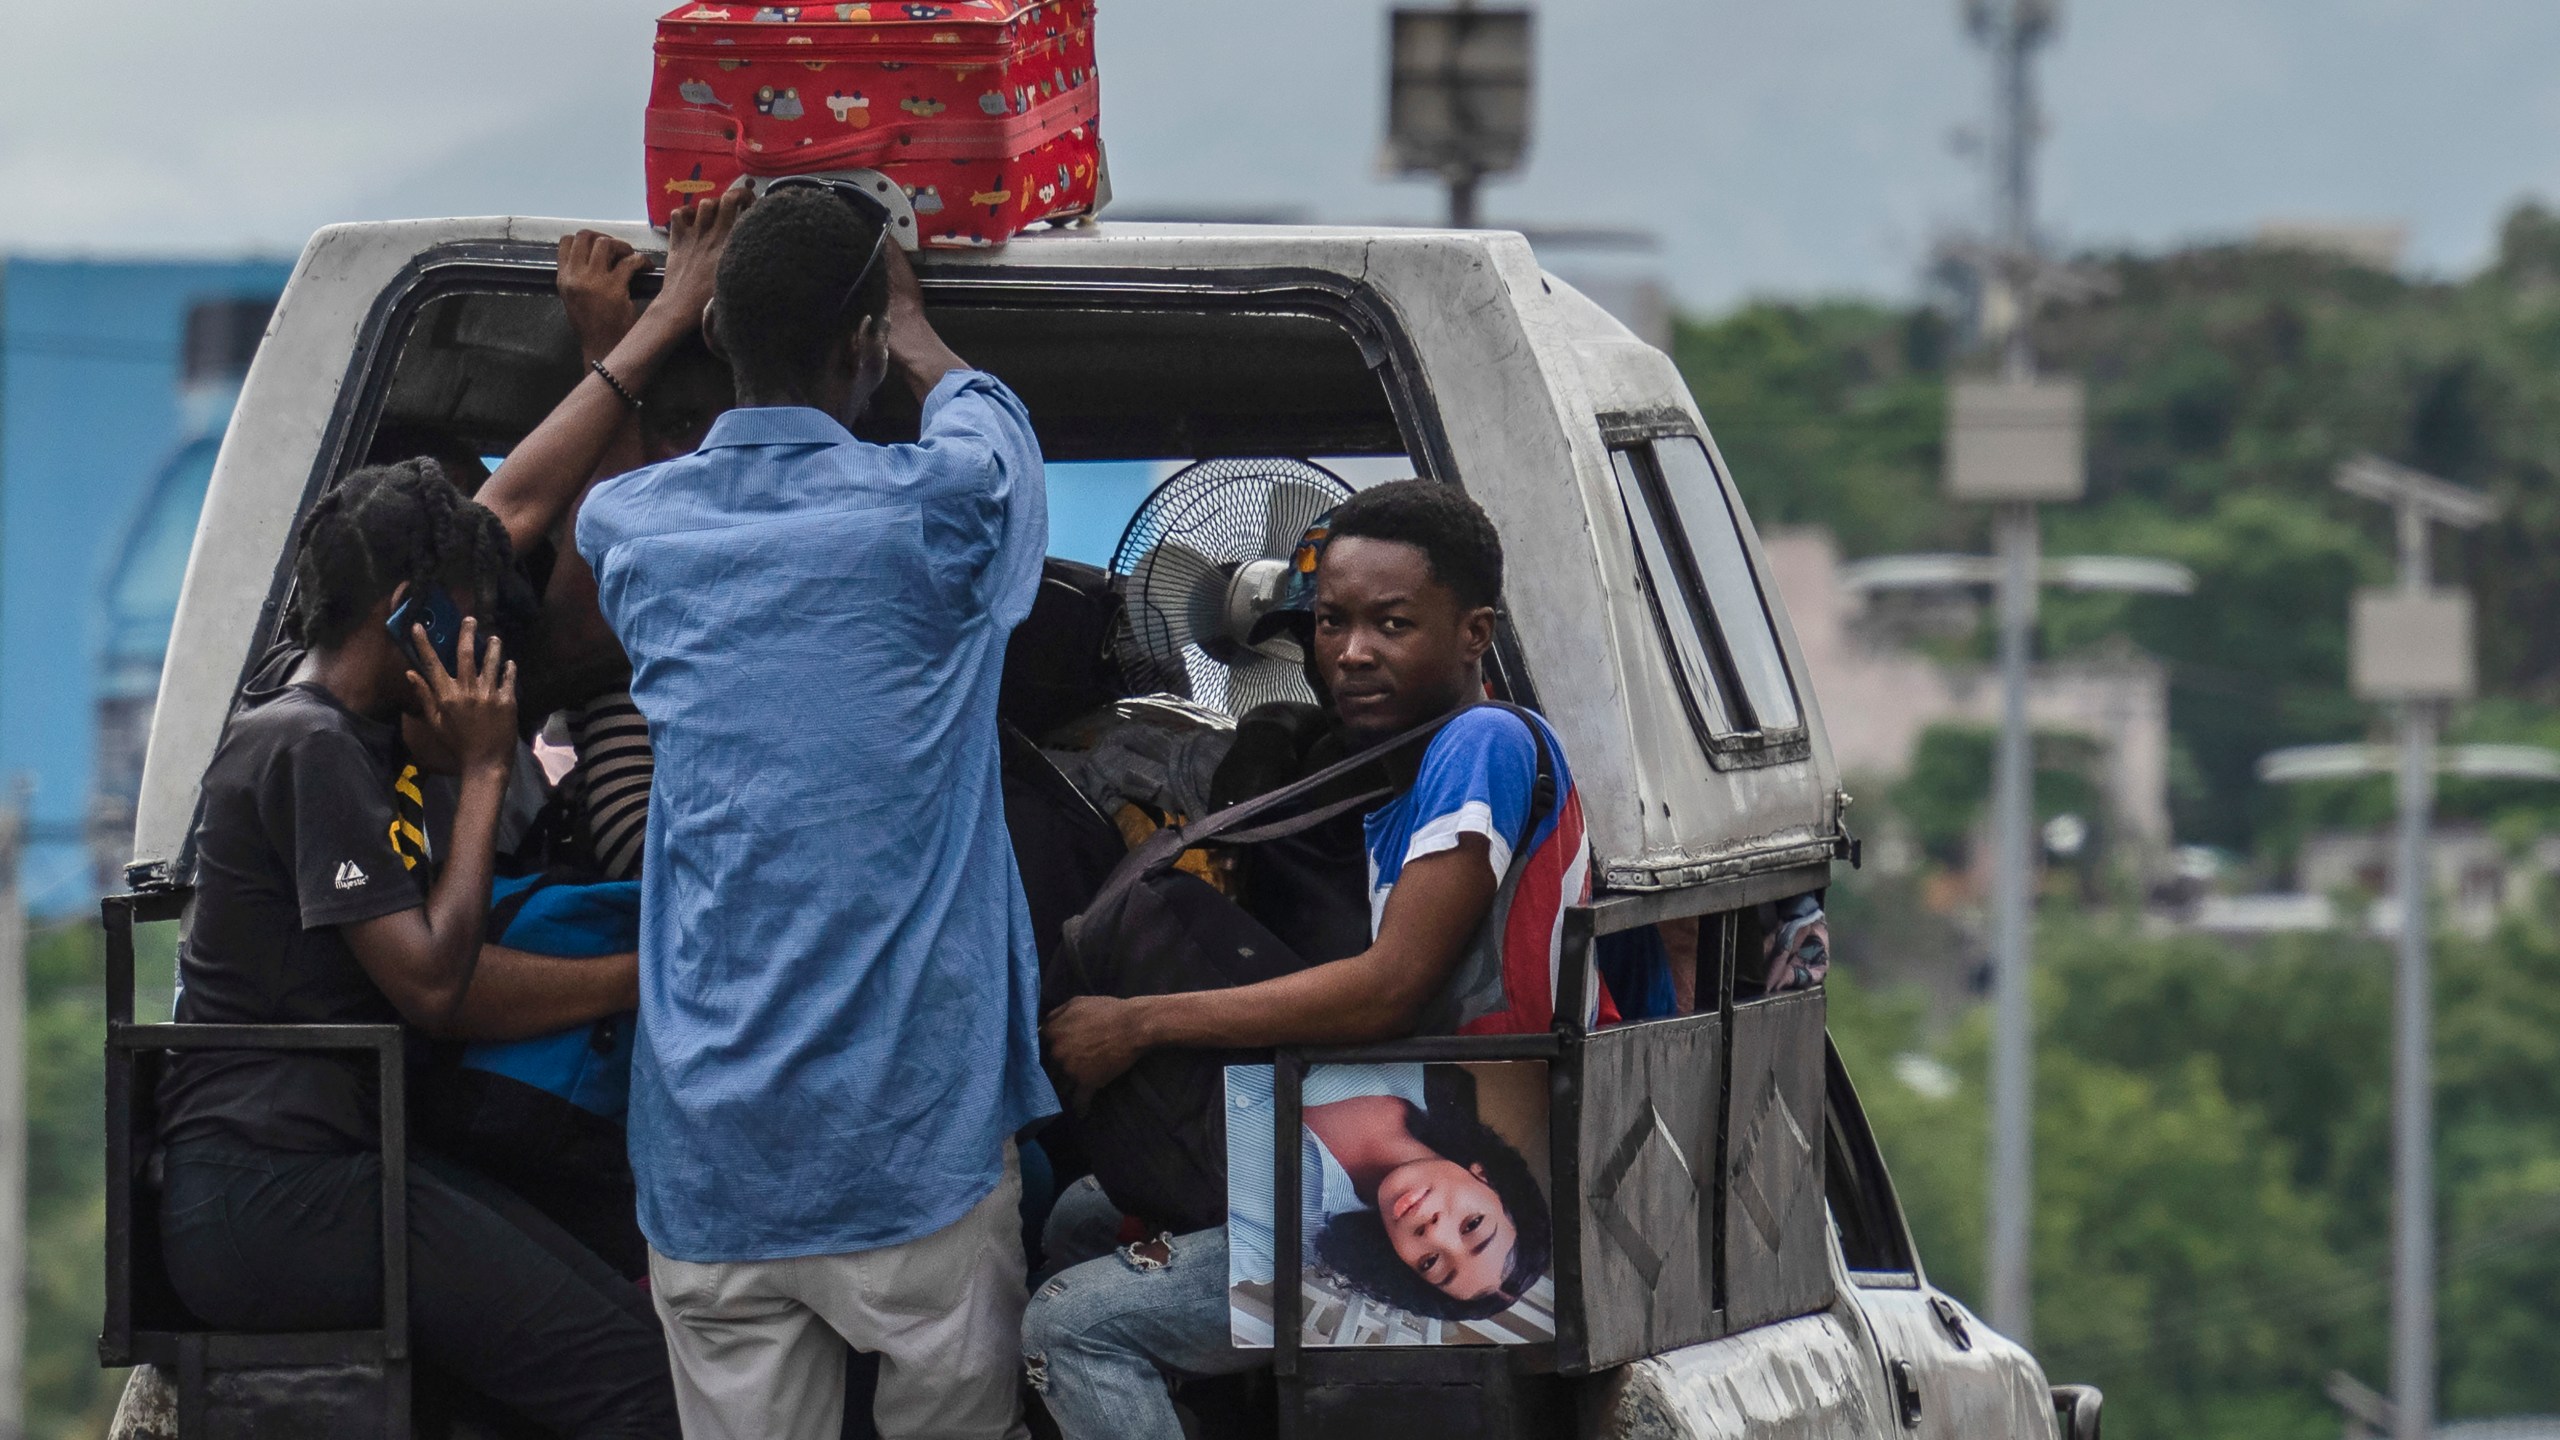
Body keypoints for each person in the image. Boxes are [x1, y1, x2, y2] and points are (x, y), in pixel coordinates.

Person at [574, 182, 1054, 1440]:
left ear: (717, 336)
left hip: (710, 1163)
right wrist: (914, 328)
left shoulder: (629, 529)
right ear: (859, 346)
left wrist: (637, 332)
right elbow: (990, 436)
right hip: (914, 1151)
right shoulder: (938, 514)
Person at [1027, 478, 1603, 1440]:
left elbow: (1388, 992)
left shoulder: (1481, 742)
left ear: (1473, 633)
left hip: (1501, 1138)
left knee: (1071, 1328)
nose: (1351, 653)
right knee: (1085, 1213)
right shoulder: (1410, 762)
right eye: (1331, 622)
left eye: (1391, 624)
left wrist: (1141, 1023)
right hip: (1408, 1122)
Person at [153, 459, 680, 1437]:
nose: (482, 649)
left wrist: (449, 758)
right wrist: (484, 770)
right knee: (634, 1383)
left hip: (327, 1172)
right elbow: (436, 985)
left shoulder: (349, 740)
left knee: (624, 1314)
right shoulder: (302, 746)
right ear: (409, 614)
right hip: (275, 1189)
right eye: (467, 622)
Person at [1223, 1065, 1550, 1324]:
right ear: (1487, 1177)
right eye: (1472, 1224)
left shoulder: (1293, 1239)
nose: (1433, 1232)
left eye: (1430, 1261)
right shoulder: (1417, 1060)